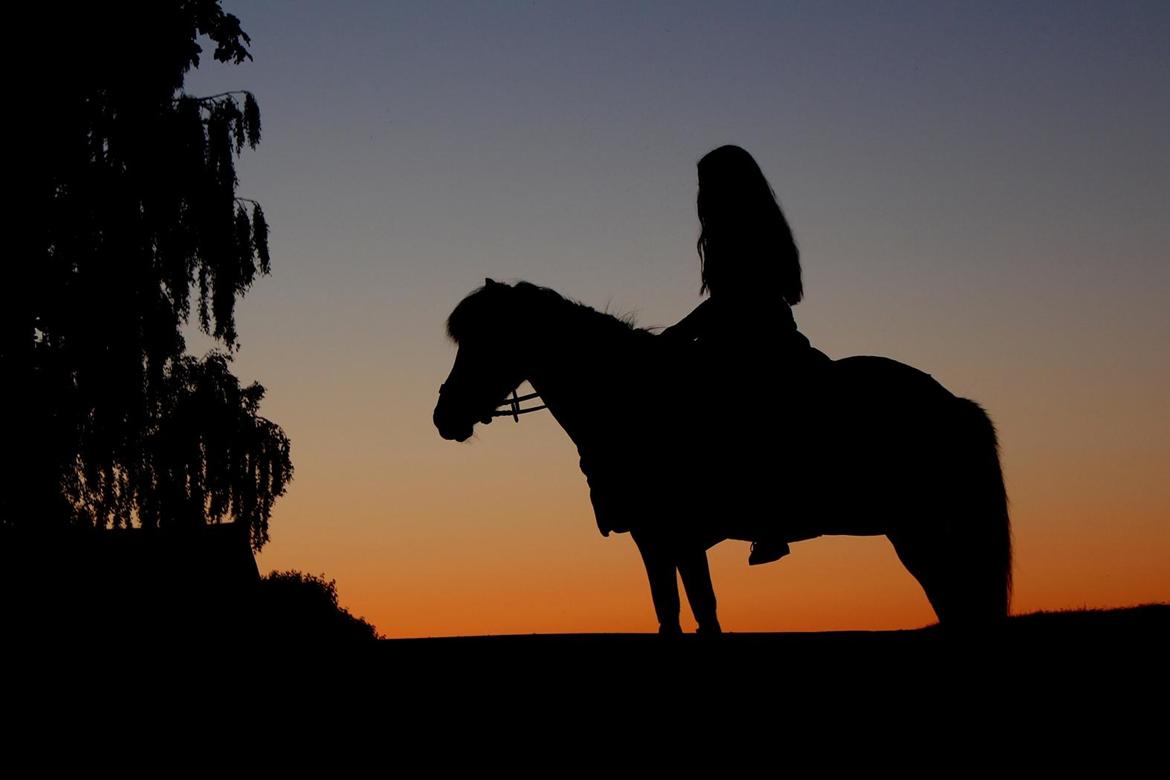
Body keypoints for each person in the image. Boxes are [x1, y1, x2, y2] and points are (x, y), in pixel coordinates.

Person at [662, 144, 829, 565]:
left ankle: (754, 517)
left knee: (722, 413)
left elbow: (732, 300)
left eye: (706, 185)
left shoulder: (737, 231)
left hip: (753, 342)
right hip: (750, 336)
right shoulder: (757, 226)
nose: (701, 195)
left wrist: (679, 335)